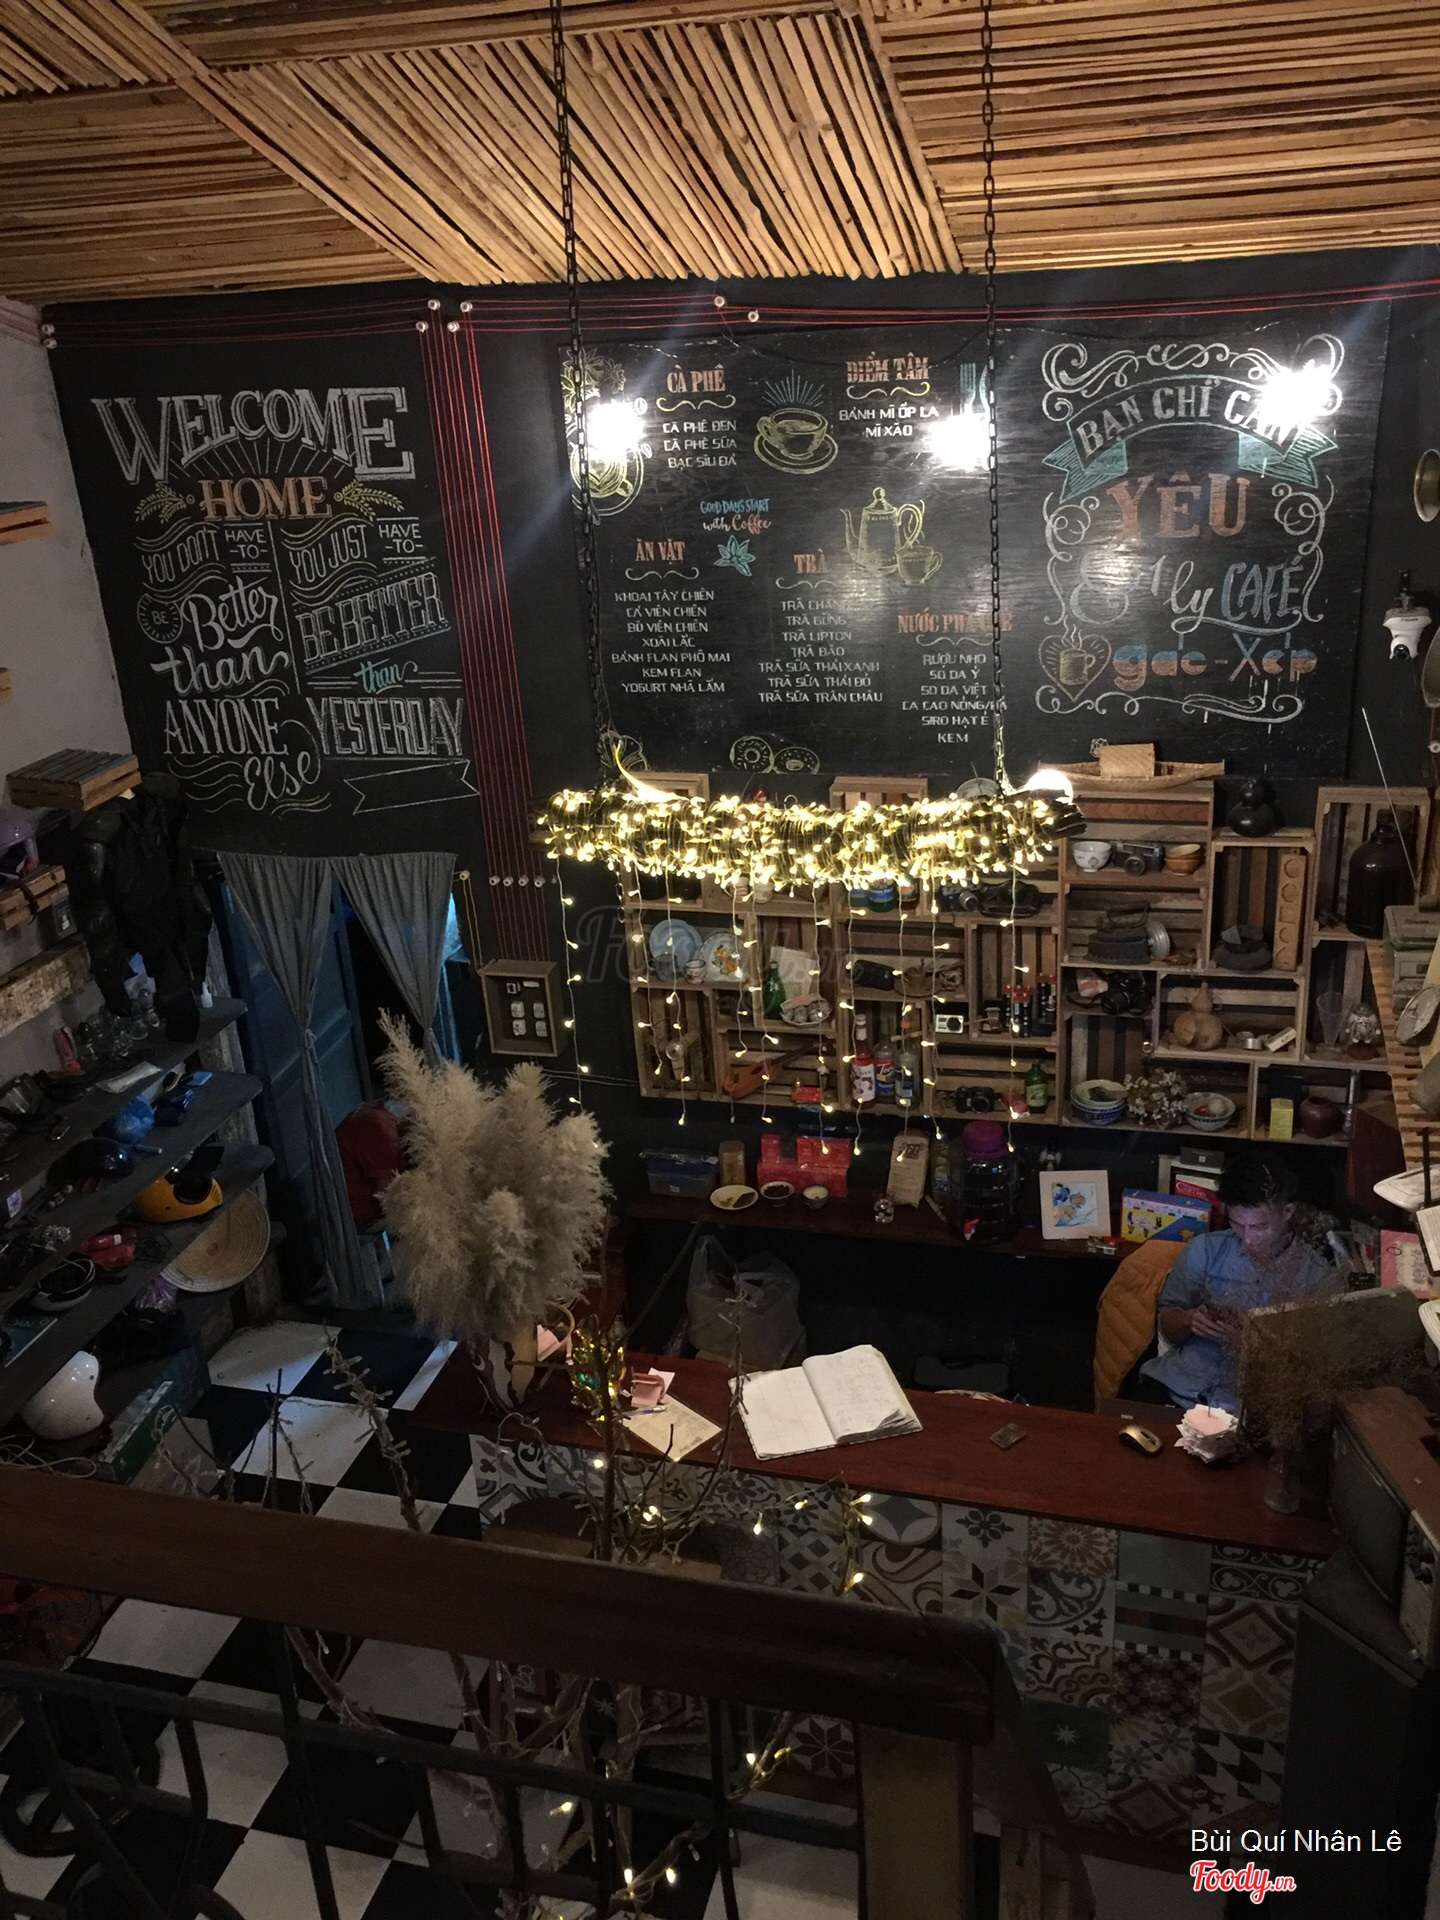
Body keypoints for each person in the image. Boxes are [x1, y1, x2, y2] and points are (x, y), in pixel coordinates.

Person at [1134, 1152, 1339, 1412]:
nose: (1248, 1238)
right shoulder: (1205, 1251)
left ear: (1288, 1211)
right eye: (1237, 1224)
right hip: (1180, 1387)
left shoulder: (1316, 1277)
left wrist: (1253, 1342)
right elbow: (1167, 1327)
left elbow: (1312, 1367)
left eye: (1259, 1226)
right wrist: (1189, 1319)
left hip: (1249, 1405)